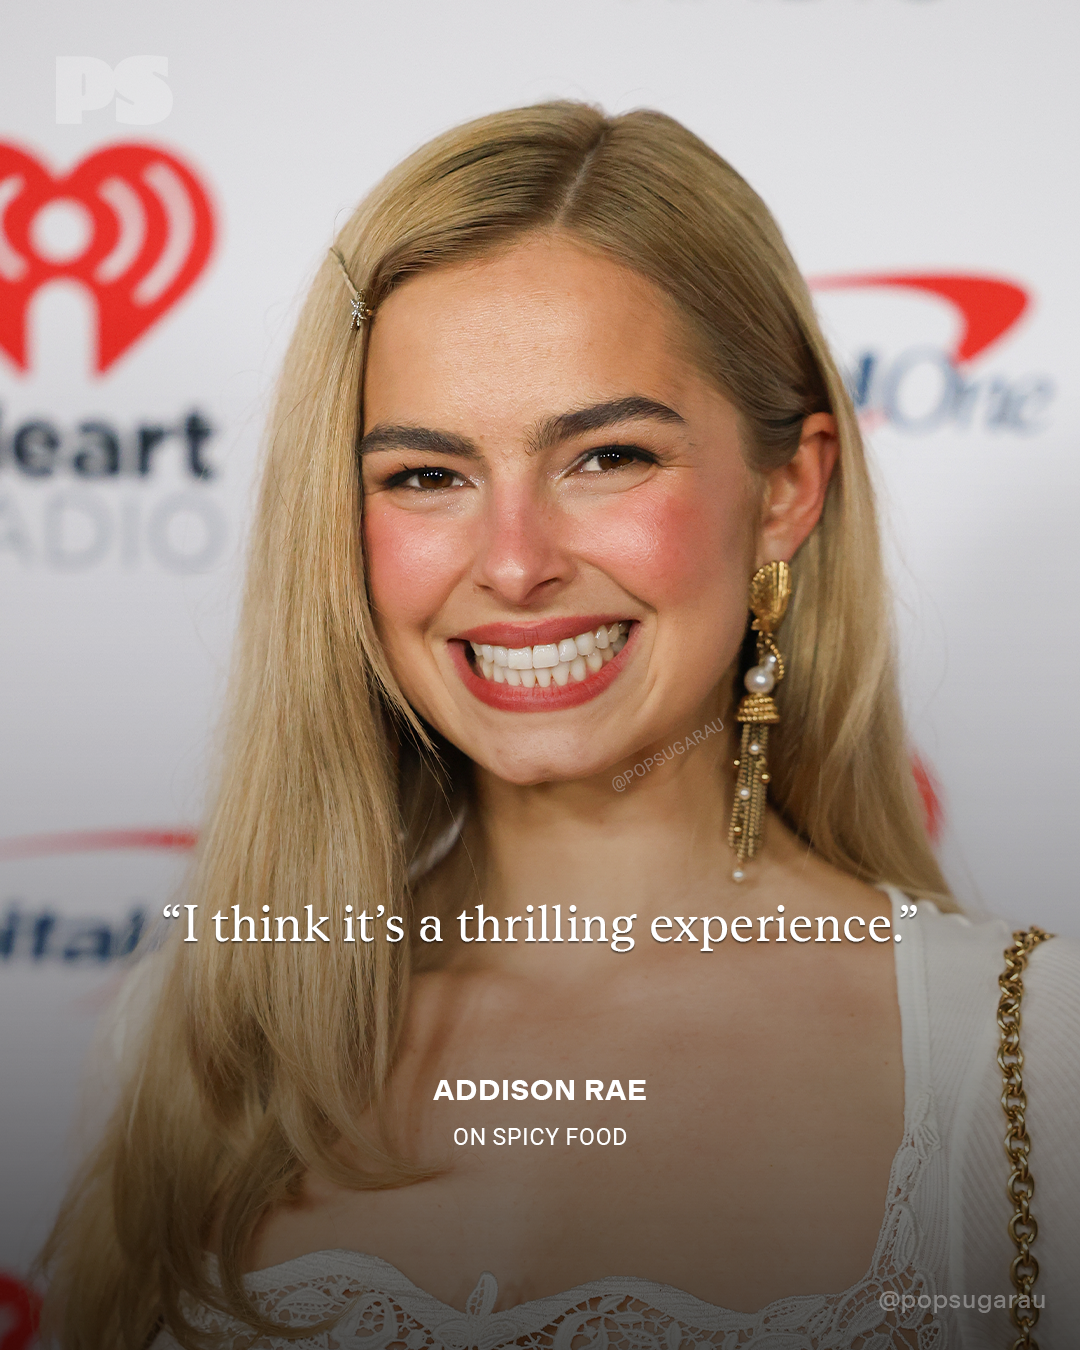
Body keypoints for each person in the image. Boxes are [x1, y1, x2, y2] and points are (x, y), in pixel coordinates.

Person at [39, 102, 1079, 1350]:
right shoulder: (193, 1040)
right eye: (426, 475)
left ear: (786, 491)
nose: (517, 564)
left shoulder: (1033, 1057)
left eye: (607, 457)